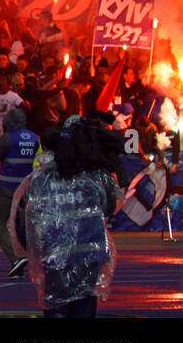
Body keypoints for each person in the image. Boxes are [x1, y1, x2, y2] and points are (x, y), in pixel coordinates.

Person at [12, 120, 122, 317]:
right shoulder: (94, 174)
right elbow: (110, 206)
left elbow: (25, 220)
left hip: (56, 254)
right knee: (84, 307)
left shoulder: (39, 178)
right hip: (91, 252)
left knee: (57, 308)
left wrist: (32, 251)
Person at [0, 107, 39, 277]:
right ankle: (33, 259)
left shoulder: (7, 139)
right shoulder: (34, 138)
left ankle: (16, 258)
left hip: (9, 189)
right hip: (27, 189)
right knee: (21, 225)